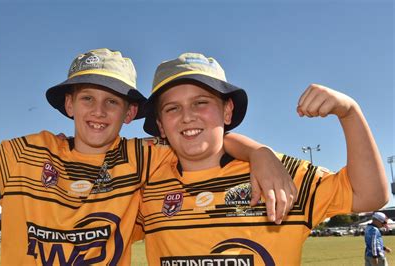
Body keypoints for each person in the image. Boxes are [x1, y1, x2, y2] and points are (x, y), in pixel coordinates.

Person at [0, 36, 296, 265]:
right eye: (87, 97)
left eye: (112, 102)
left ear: (131, 112)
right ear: (69, 104)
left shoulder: (143, 157)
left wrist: (259, 152)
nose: (98, 111)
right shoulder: (26, 154)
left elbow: (202, 139)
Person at [133, 52, 389, 265]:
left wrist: (350, 113)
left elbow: (370, 195)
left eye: (201, 102)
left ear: (227, 110)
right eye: (172, 108)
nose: (187, 116)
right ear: (161, 125)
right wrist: (257, 150)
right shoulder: (146, 183)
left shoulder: (279, 174)